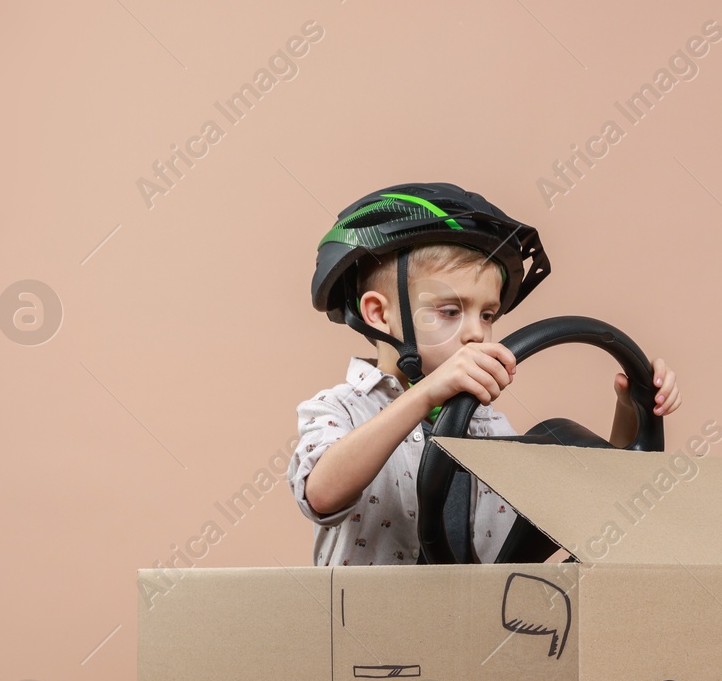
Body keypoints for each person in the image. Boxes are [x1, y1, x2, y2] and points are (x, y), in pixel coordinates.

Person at [288, 183, 682, 565]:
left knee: (558, 437)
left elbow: (588, 503)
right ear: (379, 314)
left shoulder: (487, 425)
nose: (477, 332)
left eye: (488, 314)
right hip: (366, 626)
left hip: (476, 622)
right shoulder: (339, 408)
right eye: (450, 311)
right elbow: (321, 494)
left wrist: (631, 408)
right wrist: (423, 396)